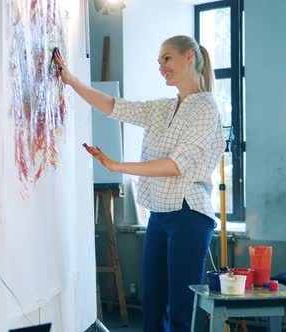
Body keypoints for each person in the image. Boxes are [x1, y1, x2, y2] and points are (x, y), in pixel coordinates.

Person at [54, 35, 225, 332]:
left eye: (167, 58)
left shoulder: (206, 108)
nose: (161, 66)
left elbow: (175, 166)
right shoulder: (162, 107)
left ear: (190, 57)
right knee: (153, 306)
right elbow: (113, 107)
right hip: (160, 215)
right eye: (159, 61)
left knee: (181, 310)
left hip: (189, 216)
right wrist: (70, 81)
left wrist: (116, 166)